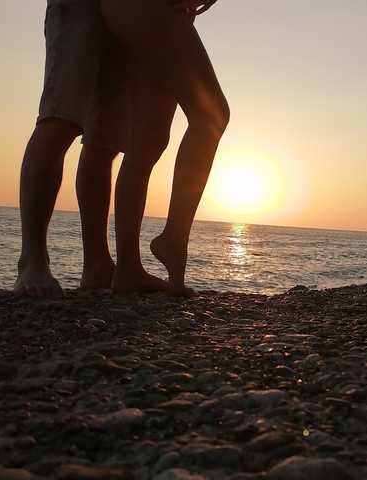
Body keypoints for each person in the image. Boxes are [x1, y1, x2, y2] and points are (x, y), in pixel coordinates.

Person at [14, 0, 168, 296]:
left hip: (132, 12)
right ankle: (32, 260)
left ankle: (97, 264)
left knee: (105, 140)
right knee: (59, 119)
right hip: (82, 5)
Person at [100, 0, 229, 296]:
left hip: (134, 11)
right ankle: (174, 238)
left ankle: (128, 269)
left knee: (148, 139)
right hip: (153, 9)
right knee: (212, 115)